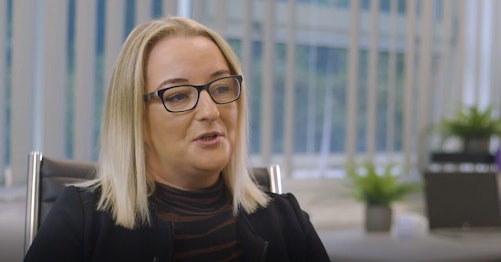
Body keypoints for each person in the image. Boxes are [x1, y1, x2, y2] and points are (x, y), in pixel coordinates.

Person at [24, 16, 330, 262]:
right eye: (179, 95)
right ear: (136, 119)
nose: (210, 111)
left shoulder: (286, 219)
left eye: (221, 88)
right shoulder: (82, 221)